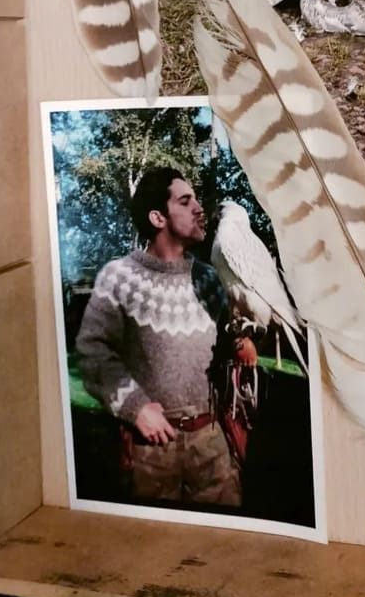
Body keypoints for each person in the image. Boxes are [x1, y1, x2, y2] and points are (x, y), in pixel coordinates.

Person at [75, 167, 256, 508]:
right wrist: (135, 407)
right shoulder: (119, 278)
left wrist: (239, 345)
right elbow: (91, 353)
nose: (199, 208)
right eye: (186, 202)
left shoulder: (210, 280)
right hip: (150, 451)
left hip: (212, 445)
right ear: (157, 217)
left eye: (196, 200)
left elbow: (221, 348)